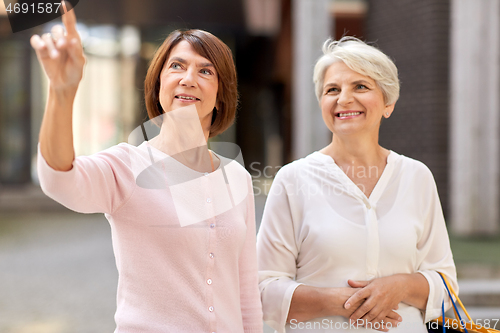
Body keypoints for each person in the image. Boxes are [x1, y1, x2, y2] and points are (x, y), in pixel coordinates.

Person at [30, 2, 263, 332]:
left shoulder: (236, 177)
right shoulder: (127, 166)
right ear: (158, 84)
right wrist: (62, 92)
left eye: (205, 71)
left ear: (221, 95)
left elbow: (247, 293)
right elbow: (58, 180)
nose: (188, 78)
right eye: (177, 66)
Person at [256, 36, 457, 333]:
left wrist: (399, 287)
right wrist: (341, 301)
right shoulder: (292, 179)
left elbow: (446, 284)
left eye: (360, 86)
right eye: (332, 90)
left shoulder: (417, 177)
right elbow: (263, 288)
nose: (344, 99)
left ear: (388, 103)